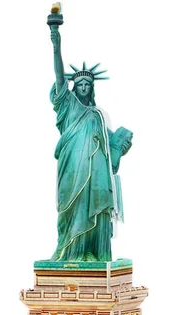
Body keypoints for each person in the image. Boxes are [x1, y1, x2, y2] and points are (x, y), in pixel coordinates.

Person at [49, 26, 133, 262]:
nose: (84, 87)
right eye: (80, 84)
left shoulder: (98, 115)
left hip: (96, 172)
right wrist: (56, 45)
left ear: (92, 88)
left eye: (88, 84)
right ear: (74, 88)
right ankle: (70, 250)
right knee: (73, 206)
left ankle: (91, 251)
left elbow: (110, 146)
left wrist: (121, 144)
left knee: (93, 204)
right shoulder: (68, 106)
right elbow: (59, 77)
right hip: (72, 167)